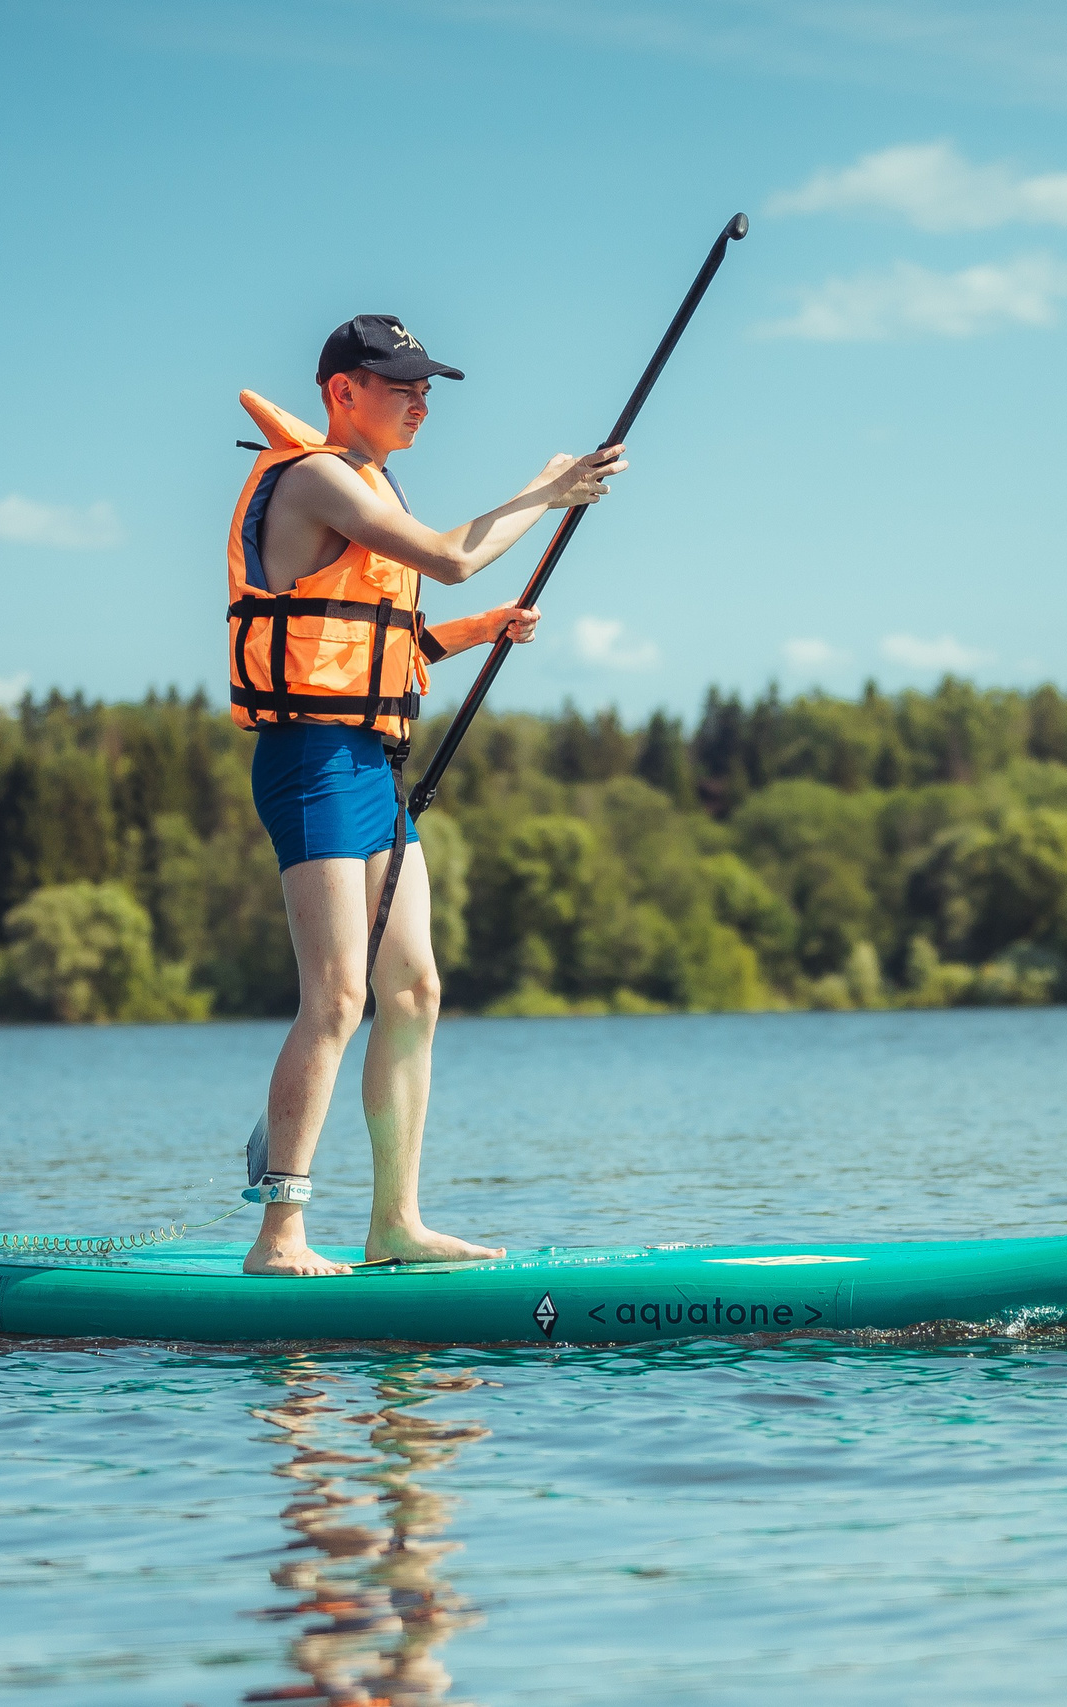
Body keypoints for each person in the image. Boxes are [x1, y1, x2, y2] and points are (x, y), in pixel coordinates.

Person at [227, 315, 627, 1277]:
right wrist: (548, 491)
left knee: (413, 986)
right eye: (400, 383)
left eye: (425, 384)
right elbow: (447, 556)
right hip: (311, 762)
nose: (421, 398)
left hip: (371, 767)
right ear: (341, 391)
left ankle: (394, 1223)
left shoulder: (370, 486)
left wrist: (476, 630)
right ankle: (277, 1237)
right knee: (336, 997)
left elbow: (383, 645)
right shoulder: (318, 476)